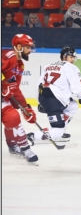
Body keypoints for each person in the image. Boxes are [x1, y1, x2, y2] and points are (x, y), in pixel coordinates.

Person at [27, 47, 81, 145]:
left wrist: (40, 101)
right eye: (71, 57)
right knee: (57, 131)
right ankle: (31, 136)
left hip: (46, 97)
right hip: (54, 100)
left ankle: (60, 130)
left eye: (73, 58)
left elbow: (39, 84)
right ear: (64, 56)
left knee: (72, 106)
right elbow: (76, 87)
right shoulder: (70, 67)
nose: (73, 60)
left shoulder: (48, 66)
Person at [1, 34, 38, 164]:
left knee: (13, 117)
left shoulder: (20, 64)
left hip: (2, 100)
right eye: (27, 47)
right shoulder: (7, 56)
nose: (30, 51)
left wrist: (25, 107)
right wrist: (3, 84)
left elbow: (14, 89)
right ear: (18, 47)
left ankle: (21, 148)